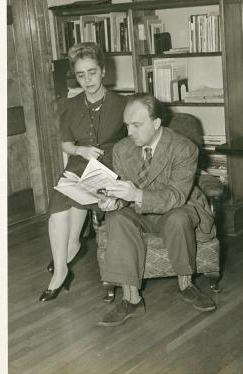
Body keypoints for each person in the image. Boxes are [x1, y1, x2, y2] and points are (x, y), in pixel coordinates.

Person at [96, 93, 218, 327]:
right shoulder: (122, 149)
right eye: (127, 125)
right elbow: (122, 191)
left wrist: (136, 195)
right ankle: (131, 299)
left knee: (179, 218)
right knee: (116, 217)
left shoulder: (184, 148)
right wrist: (112, 200)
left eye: (136, 125)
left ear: (156, 124)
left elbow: (176, 196)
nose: (129, 132)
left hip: (178, 207)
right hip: (138, 211)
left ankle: (187, 285)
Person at [39, 42, 127, 302]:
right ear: (75, 77)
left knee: (72, 224)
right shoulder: (69, 105)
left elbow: (135, 140)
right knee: (57, 212)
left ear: (102, 71)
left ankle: (66, 257)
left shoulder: (123, 103)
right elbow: (66, 143)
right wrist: (81, 151)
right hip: (80, 165)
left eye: (91, 72)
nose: (87, 80)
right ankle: (61, 270)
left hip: (110, 169)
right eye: (80, 75)